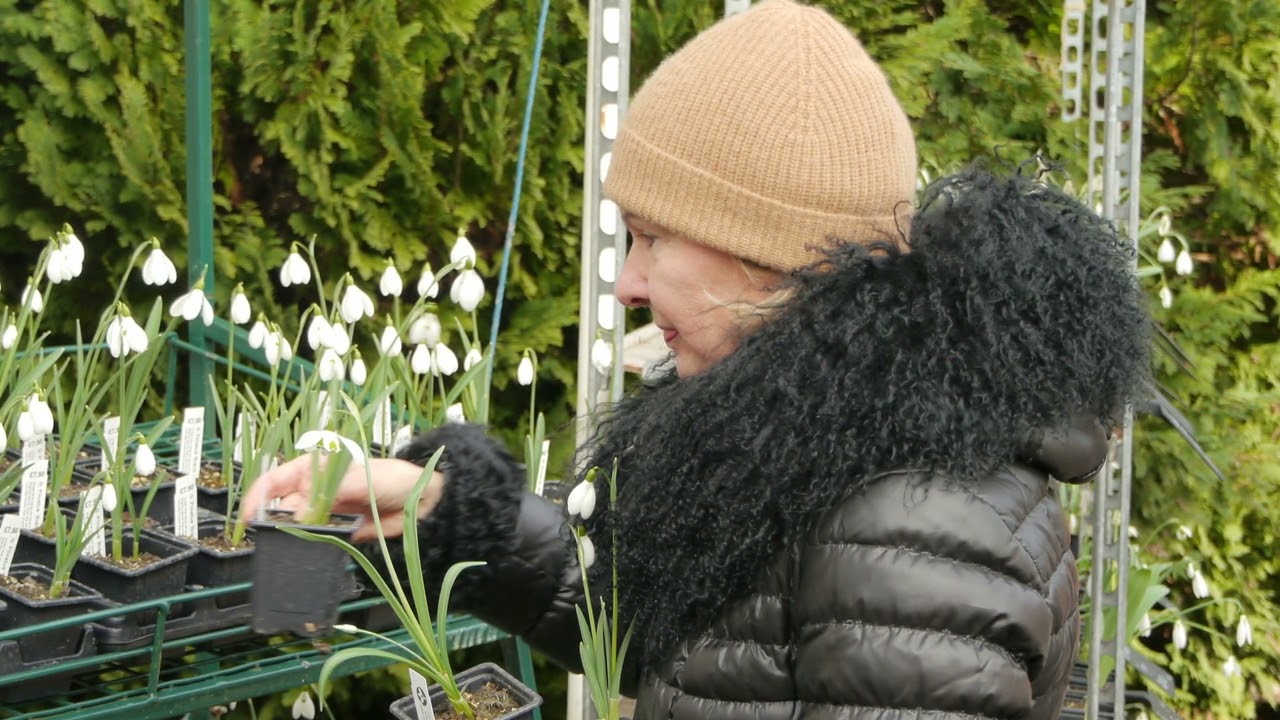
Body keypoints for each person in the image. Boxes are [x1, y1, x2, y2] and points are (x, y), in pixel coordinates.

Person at [242, 1, 1150, 718]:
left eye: (653, 239)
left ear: (767, 251)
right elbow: (689, 647)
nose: (628, 283)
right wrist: (454, 514)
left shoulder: (911, 526)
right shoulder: (799, 446)